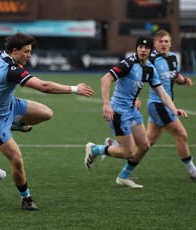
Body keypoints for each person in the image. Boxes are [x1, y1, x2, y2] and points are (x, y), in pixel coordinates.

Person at [0, 32, 95, 210]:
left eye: (30, 51)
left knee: (46, 113)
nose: (29, 55)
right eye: (26, 51)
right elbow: (44, 86)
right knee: (17, 160)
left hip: (10, 105)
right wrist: (74, 89)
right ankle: (26, 198)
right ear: (15, 51)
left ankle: (15, 124)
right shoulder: (12, 71)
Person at [84, 36, 188, 188]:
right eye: (140, 47)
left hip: (132, 110)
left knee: (145, 145)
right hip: (118, 112)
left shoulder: (150, 69)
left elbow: (162, 93)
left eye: (146, 48)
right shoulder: (128, 63)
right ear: (136, 48)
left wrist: (174, 108)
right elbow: (105, 79)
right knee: (129, 153)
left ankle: (123, 177)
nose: (143, 50)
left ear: (151, 50)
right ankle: (95, 149)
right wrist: (106, 104)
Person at [147, 29, 196, 180]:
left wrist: (183, 80)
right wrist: (133, 97)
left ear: (170, 43)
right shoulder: (151, 59)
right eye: (160, 41)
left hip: (165, 104)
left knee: (147, 142)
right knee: (181, 135)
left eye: (166, 41)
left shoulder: (173, 58)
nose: (163, 44)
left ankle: (107, 147)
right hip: (159, 104)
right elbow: (139, 76)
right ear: (155, 43)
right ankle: (193, 172)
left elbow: (174, 75)